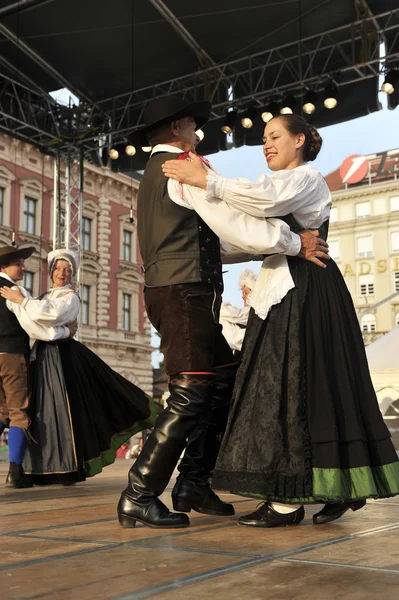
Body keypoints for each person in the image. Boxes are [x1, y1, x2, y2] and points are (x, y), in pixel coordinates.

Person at [162, 113, 399, 527]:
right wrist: (190, 219)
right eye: (263, 139)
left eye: (274, 136)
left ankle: (288, 502)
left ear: (301, 140)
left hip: (307, 289)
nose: (266, 144)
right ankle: (334, 487)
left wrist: (207, 181)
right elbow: (246, 234)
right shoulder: (281, 185)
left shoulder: (305, 178)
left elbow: (262, 202)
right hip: (286, 285)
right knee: (307, 388)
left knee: (294, 386)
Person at [117, 95, 329, 530]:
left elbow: (214, 240)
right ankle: (139, 492)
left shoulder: (161, 171)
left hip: (181, 289)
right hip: (183, 293)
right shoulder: (181, 168)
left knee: (225, 378)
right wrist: (294, 243)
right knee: (192, 391)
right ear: (177, 127)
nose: (199, 133)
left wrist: (266, 244)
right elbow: (231, 223)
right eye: (193, 125)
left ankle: (195, 481)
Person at [0, 248, 157, 485]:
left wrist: (36, 312)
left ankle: (62, 467)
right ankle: (33, 468)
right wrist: (61, 329)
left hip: (61, 358)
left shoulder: (69, 297)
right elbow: (37, 326)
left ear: (72, 275)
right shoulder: (36, 296)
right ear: (51, 271)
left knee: (61, 411)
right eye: (58, 269)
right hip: (38, 356)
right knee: (35, 412)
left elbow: (47, 319)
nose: (62, 273)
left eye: (67, 270)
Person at [0, 244, 35, 488]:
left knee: (1, 411)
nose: (23, 266)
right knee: (18, 413)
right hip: (12, 355)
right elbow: (31, 322)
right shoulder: (13, 291)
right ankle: (15, 471)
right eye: (19, 263)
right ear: (5, 266)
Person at [219, 269, 257, 357]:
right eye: (242, 293)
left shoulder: (258, 313)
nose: (242, 296)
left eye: (246, 293)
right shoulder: (223, 312)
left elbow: (239, 315)